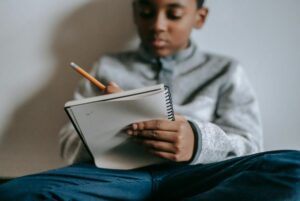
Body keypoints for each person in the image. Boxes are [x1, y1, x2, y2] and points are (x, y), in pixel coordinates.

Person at [1, 0, 299, 200]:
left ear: (200, 17)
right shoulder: (108, 67)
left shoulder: (225, 70)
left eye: (174, 14)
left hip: (199, 176)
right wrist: (103, 122)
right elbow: (67, 141)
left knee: (293, 167)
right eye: (146, 13)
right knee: (15, 193)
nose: (157, 25)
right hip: (114, 178)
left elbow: (250, 145)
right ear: (134, 13)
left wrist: (198, 141)